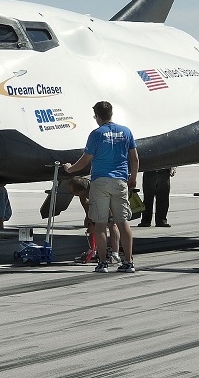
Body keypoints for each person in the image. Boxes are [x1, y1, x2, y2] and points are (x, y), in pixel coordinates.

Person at [64, 101, 139, 273]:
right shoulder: (126, 131)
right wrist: (133, 177)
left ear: (97, 116)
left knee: (100, 224)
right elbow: (134, 158)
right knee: (122, 223)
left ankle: (103, 263)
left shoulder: (96, 134)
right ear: (111, 113)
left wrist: (70, 169)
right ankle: (128, 261)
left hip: (100, 182)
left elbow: (85, 159)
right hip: (120, 181)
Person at [67, 176, 121, 264]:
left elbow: (109, 211)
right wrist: (89, 218)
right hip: (97, 201)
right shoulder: (83, 189)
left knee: (111, 223)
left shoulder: (97, 189)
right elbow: (84, 201)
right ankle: (93, 252)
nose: (71, 194)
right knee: (92, 224)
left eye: (72, 192)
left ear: (81, 191)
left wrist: (96, 222)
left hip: (111, 198)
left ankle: (115, 254)